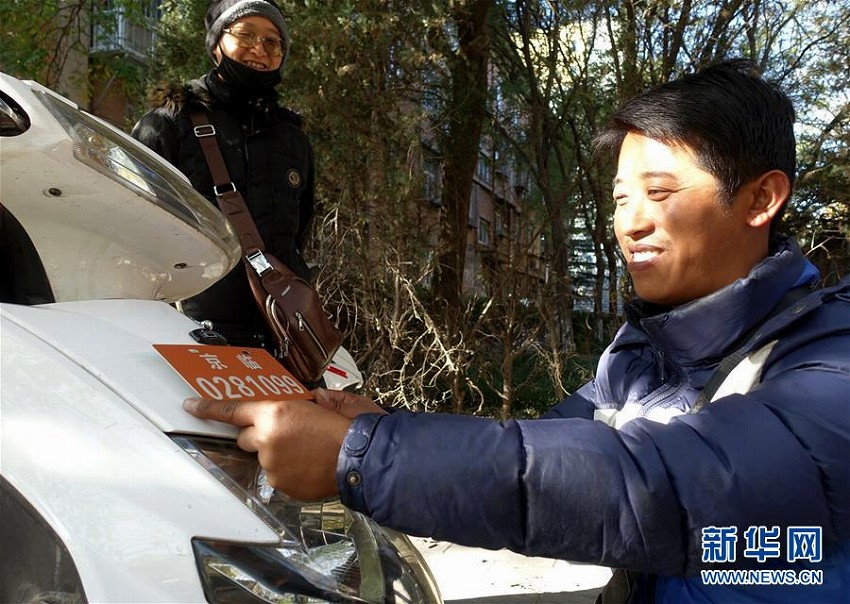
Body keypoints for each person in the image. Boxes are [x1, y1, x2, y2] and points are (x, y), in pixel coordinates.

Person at [184, 59, 850, 603]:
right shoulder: (644, 355)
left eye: (662, 192)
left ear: (761, 199)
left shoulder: (827, 362)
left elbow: (657, 487)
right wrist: (382, 424)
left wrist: (365, 453)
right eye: (620, 198)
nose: (631, 222)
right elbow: (546, 457)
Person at [132, 0, 314, 351]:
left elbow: (298, 231)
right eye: (245, 35)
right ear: (217, 45)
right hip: (193, 331)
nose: (259, 49)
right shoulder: (170, 122)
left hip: (285, 333)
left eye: (272, 41)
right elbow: (135, 225)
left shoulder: (293, 138)